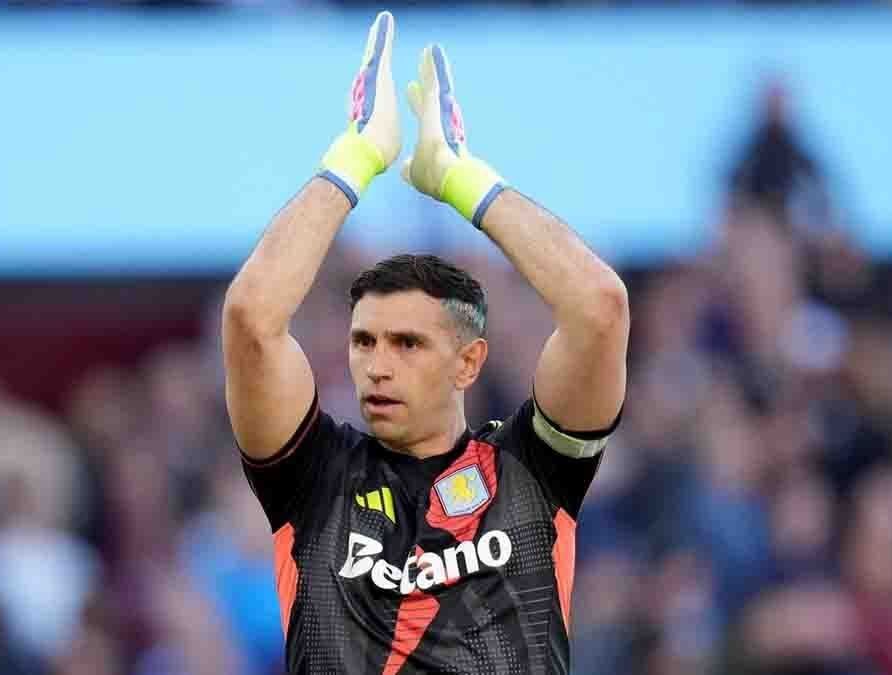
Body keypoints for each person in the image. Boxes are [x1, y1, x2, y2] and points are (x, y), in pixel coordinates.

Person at [221, 11, 629, 674]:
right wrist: (357, 155)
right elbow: (250, 319)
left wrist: (460, 178)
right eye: (365, 342)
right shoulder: (316, 478)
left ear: (470, 359)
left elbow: (601, 309)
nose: (377, 365)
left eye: (408, 343)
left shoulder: (530, 472)